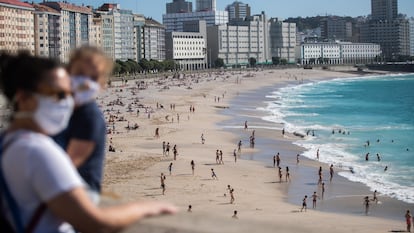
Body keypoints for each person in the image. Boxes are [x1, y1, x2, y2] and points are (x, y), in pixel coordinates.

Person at [0, 52, 176, 233]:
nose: (67, 102)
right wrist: (144, 208)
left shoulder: (7, 142)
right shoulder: (38, 151)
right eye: (59, 94)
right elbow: (94, 222)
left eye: (70, 93)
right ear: (24, 98)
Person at [52, 47, 112, 203]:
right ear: (67, 72)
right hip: (58, 186)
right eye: (79, 74)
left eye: (93, 77)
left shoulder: (90, 117)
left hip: (81, 192)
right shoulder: (60, 109)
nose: (85, 82)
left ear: (102, 83)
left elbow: (70, 163)